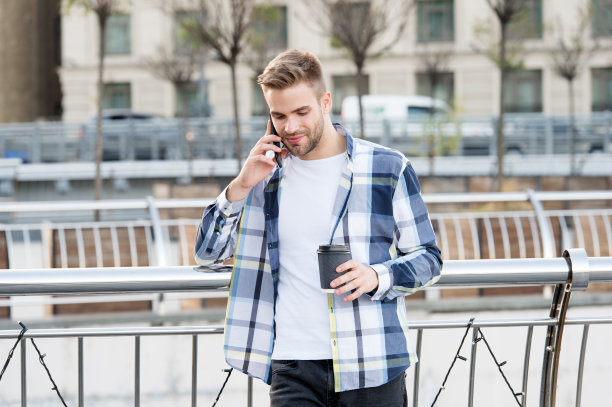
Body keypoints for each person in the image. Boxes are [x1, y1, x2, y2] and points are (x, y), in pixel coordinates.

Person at [194, 49, 442, 406]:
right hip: (293, 366)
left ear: (325, 102)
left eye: (301, 112)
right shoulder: (263, 176)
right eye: (279, 116)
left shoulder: (387, 167)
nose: (290, 127)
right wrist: (241, 185)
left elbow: (429, 259)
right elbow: (207, 253)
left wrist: (377, 276)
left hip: (371, 362)